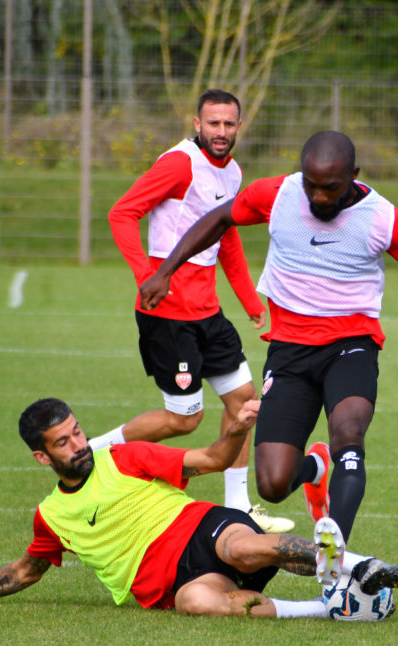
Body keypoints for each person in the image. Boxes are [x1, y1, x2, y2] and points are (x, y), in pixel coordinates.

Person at [139, 130, 398, 552]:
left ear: (353, 176)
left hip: (352, 345)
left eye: (330, 187)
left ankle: (334, 549)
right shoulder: (278, 194)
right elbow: (219, 219)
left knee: (348, 431)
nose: (319, 197)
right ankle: (317, 468)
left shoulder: (381, 217)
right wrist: (167, 269)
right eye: (311, 185)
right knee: (273, 483)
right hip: (290, 349)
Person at [0, 397, 398, 619]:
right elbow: (24, 572)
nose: (79, 444)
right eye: (63, 442)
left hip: (202, 529)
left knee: (243, 548)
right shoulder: (51, 517)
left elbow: (213, 459)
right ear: (43, 457)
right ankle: (329, 608)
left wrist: (236, 428)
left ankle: (360, 566)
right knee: (199, 605)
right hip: (174, 583)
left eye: (77, 431)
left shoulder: (125, 457)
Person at [92, 88, 292, 534]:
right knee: (185, 420)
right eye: (213, 123)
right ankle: (94, 451)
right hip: (168, 315)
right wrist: (147, 274)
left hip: (209, 313)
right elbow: (122, 212)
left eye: (229, 124)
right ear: (197, 124)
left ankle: (240, 508)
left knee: (245, 402)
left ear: (239, 126)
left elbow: (228, 237)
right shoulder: (179, 164)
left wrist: (249, 301)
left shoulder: (234, 173)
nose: (221, 132)